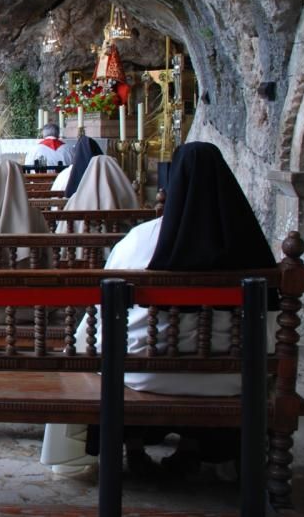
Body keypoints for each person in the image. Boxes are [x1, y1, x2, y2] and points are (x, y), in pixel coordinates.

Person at [41, 142, 279, 476]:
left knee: (101, 353)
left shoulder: (140, 238)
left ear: (173, 184)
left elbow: (106, 311)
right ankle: (194, 448)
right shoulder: (250, 245)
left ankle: (133, 446)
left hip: (143, 374)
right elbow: (270, 322)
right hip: (231, 377)